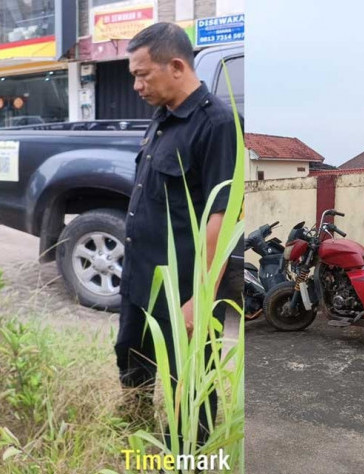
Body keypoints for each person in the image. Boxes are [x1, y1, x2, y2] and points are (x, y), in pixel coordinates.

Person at [114, 22, 240, 441]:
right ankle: (138, 448)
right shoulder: (162, 118)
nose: (136, 84)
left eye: (141, 74)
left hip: (183, 292)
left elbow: (221, 219)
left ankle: (182, 468)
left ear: (177, 66)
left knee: (187, 386)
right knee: (132, 366)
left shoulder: (218, 124)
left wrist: (199, 302)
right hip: (141, 284)